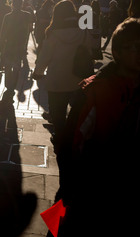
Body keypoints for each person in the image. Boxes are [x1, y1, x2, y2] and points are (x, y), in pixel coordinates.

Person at [52, 17, 140, 237]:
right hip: (97, 181)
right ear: (118, 50)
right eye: (134, 47)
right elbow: (74, 140)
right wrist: (73, 181)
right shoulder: (97, 89)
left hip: (139, 186)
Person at [32, 0, 93, 147]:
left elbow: (44, 57)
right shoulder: (83, 30)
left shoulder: (53, 33)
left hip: (56, 81)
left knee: (58, 115)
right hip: (78, 80)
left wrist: (38, 72)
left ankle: (60, 139)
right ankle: (72, 138)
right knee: (76, 114)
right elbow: (90, 51)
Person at [0, 0, 32, 96]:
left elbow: (3, 34)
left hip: (10, 45)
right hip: (20, 45)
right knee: (17, 67)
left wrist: (2, 47)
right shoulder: (26, 15)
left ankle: (8, 84)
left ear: (12, 5)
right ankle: (13, 85)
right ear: (21, 4)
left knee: (8, 66)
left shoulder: (7, 17)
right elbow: (29, 29)